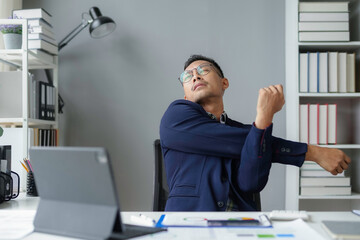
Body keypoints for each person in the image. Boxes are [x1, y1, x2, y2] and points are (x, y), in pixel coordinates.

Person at [159, 54, 351, 211]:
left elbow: (250, 183)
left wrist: (263, 121)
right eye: (187, 76)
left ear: (224, 83)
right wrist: (312, 152)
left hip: (242, 224)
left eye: (203, 70)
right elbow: (242, 141)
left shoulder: (250, 134)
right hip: (188, 223)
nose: (195, 76)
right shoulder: (176, 117)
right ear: (185, 95)